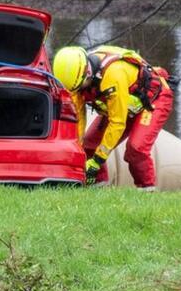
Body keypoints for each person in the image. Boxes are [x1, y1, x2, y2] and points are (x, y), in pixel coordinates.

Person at [51, 44, 174, 187]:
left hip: (153, 100)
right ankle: (98, 188)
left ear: (88, 72)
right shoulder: (76, 83)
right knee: (89, 146)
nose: (80, 91)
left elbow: (117, 123)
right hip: (124, 105)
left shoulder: (113, 75)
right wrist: (76, 151)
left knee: (136, 149)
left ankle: (147, 191)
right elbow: (78, 119)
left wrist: (98, 161)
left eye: (81, 87)